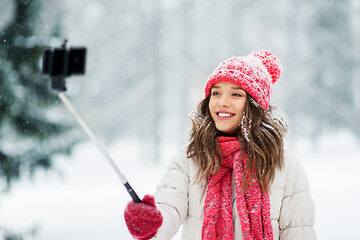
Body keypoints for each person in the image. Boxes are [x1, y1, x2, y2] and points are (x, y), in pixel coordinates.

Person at [124, 50, 316, 240]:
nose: (222, 102)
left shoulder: (284, 164)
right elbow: (169, 206)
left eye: (236, 95)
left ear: (255, 104)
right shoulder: (190, 158)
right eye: (216, 93)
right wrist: (151, 223)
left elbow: (298, 232)